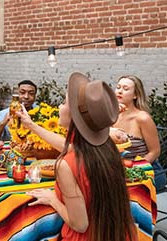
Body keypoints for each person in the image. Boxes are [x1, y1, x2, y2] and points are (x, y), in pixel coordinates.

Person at [19, 72, 136, 241]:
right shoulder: (106, 149)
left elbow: (80, 224)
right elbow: (68, 146)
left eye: (64, 103)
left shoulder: (66, 165)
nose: (59, 106)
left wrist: (53, 199)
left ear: (75, 117)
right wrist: (31, 125)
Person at [113, 75, 164, 191]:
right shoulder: (112, 115)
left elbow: (155, 151)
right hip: (120, 171)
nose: (120, 91)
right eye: (118, 87)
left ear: (135, 95)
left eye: (125, 89)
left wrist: (133, 169)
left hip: (146, 171)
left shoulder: (142, 118)